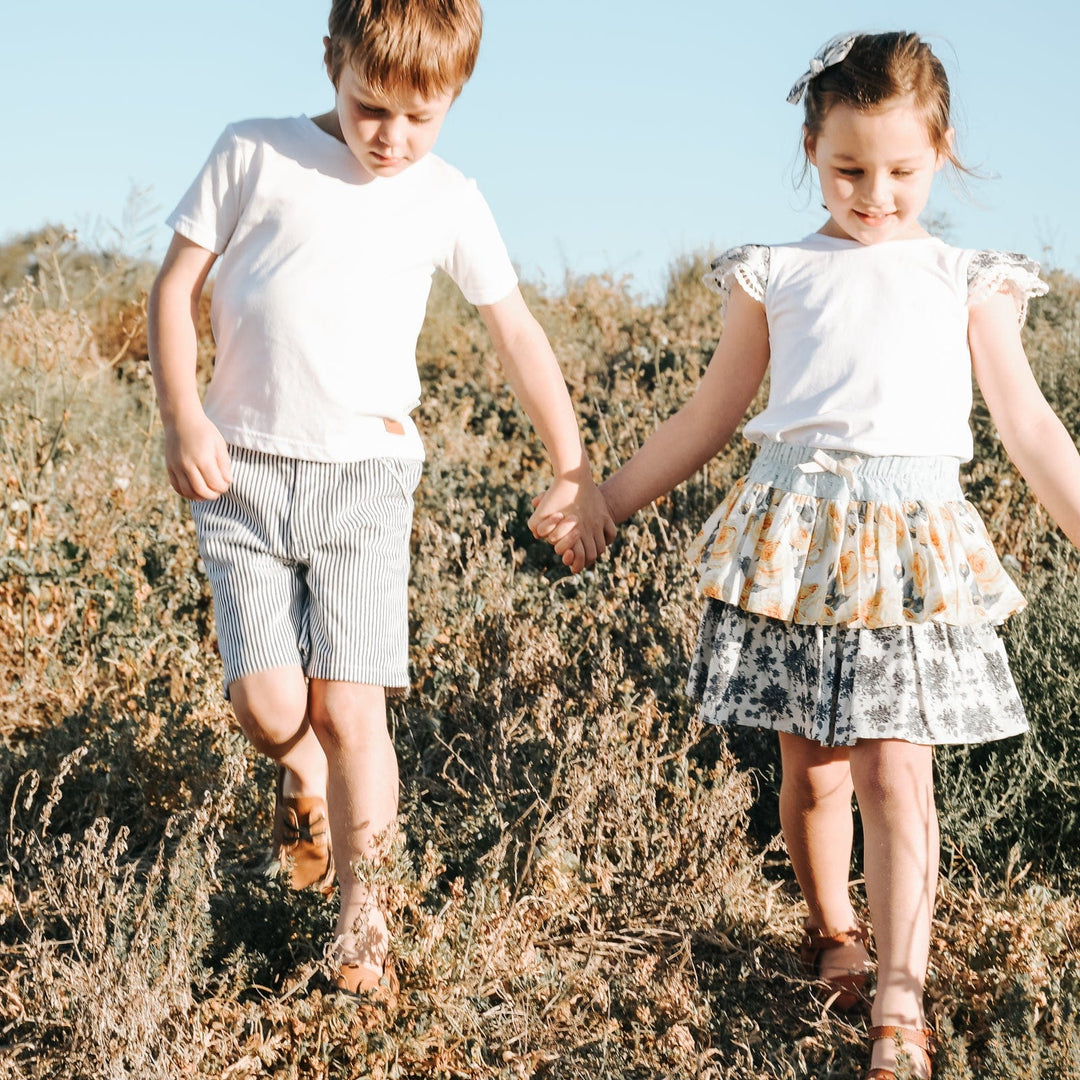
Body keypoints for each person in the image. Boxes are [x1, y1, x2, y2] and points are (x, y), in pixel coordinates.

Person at [534, 31, 1080, 1080]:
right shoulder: (776, 272)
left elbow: (1029, 426)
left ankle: (898, 1002)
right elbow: (710, 412)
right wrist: (607, 498)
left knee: (896, 774)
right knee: (815, 772)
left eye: (901, 173)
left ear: (944, 152)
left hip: (910, 551)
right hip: (793, 541)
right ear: (810, 149)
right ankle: (833, 929)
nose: (875, 196)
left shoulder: (971, 278)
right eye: (848, 171)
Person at [148, 0, 614, 1005]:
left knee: (355, 706)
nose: (391, 137)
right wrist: (184, 416)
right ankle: (300, 768)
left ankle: (365, 930)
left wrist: (573, 463)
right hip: (244, 475)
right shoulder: (255, 153)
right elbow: (174, 286)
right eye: (370, 107)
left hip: (367, 484)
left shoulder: (447, 197)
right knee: (273, 706)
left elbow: (518, 332)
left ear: (452, 101)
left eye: (421, 116)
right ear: (332, 65)